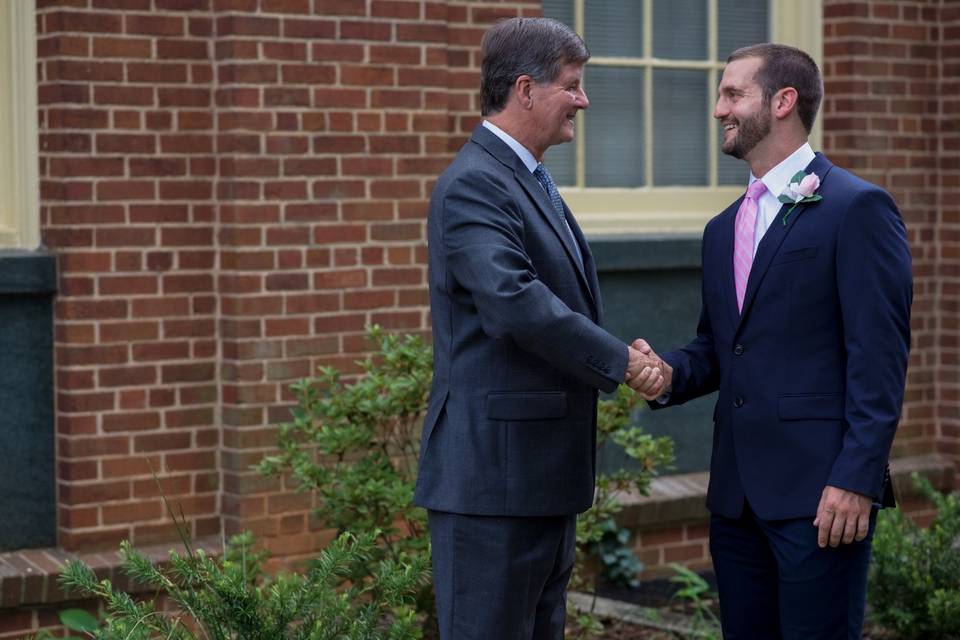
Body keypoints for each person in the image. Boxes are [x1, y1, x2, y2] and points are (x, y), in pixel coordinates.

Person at [634, 43, 912, 639]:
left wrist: (856, 477)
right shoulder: (721, 229)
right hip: (735, 500)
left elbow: (879, 358)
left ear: (783, 101)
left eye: (732, 94)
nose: (717, 110)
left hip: (822, 499)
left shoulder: (856, 208)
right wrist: (667, 373)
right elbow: (719, 348)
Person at [412, 17, 665, 640]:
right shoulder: (474, 183)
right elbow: (512, 301)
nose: (582, 99)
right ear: (525, 89)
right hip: (492, 488)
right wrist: (620, 361)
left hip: (538, 483)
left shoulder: (525, 179)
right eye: (571, 85)